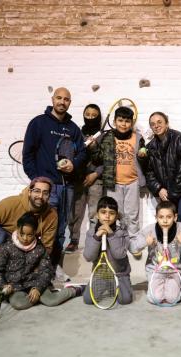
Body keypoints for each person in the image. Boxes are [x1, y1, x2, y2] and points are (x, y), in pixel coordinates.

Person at [21, 87, 86, 275]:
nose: (62, 102)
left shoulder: (73, 128)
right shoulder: (38, 123)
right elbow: (28, 155)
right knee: (41, 228)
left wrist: (73, 165)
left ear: (70, 103)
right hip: (46, 189)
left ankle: (51, 270)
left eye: (66, 99)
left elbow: (82, 153)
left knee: (60, 231)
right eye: (59, 98)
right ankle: (33, 270)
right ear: (52, 99)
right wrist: (37, 181)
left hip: (67, 188)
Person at [0, 212, 84, 310]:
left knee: (52, 301)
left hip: (35, 283)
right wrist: (4, 286)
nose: (25, 238)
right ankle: (38, 298)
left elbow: (46, 271)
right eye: (22, 234)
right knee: (18, 303)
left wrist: (38, 288)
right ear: (17, 229)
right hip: (15, 287)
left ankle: (74, 290)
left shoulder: (39, 248)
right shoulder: (7, 247)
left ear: (35, 233)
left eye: (29, 235)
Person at [129, 201, 181, 305]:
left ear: (175, 217)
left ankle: (170, 286)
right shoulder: (149, 230)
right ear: (156, 217)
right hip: (155, 270)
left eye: (169, 217)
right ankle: (160, 287)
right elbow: (132, 248)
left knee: (172, 299)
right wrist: (144, 242)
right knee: (155, 299)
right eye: (161, 217)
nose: (165, 221)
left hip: (174, 270)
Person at [88, 106, 145, 235]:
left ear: (132, 123)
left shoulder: (138, 137)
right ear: (114, 121)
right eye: (120, 120)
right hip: (113, 183)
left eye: (127, 121)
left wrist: (144, 154)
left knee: (132, 214)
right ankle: (117, 239)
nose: (123, 124)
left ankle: (133, 240)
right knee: (115, 213)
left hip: (133, 182)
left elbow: (144, 155)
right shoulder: (107, 137)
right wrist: (93, 147)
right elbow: (98, 159)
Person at [140, 111, 181, 224]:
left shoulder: (178, 139)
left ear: (167, 123)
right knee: (166, 219)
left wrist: (171, 194)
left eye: (159, 122)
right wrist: (158, 189)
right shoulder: (151, 147)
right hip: (167, 192)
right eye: (153, 124)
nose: (156, 126)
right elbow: (149, 173)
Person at [0, 177, 57, 254]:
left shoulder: (51, 215)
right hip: (5, 242)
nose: (40, 196)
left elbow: (47, 247)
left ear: (49, 196)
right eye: (37, 191)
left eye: (45, 193)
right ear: (29, 192)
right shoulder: (10, 203)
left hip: (27, 244)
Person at [65, 104, 104, 253]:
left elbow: (107, 160)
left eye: (94, 115)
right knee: (74, 212)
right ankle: (73, 241)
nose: (90, 117)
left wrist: (96, 174)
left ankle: (94, 241)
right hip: (78, 179)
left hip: (96, 180)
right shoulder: (77, 133)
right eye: (87, 114)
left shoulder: (104, 136)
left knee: (94, 214)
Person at [82, 196, 133, 306]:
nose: (107, 216)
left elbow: (119, 255)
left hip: (119, 274)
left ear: (116, 216)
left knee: (125, 300)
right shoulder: (91, 232)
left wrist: (111, 234)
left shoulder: (122, 232)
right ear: (97, 214)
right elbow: (88, 257)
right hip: (100, 275)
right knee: (88, 300)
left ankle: (121, 285)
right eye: (103, 212)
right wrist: (97, 237)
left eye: (111, 213)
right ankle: (82, 288)